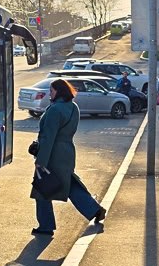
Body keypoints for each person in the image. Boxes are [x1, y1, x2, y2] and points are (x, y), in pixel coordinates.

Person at [31, 79, 106, 235]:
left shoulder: (54, 110)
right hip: (67, 152)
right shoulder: (73, 107)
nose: (49, 94)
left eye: (52, 91)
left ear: (59, 91)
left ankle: (46, 226)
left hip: (53, 154)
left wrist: (41, 160)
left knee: (42, 189)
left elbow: (49, 137)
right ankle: (94, 209)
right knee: (69, 185)